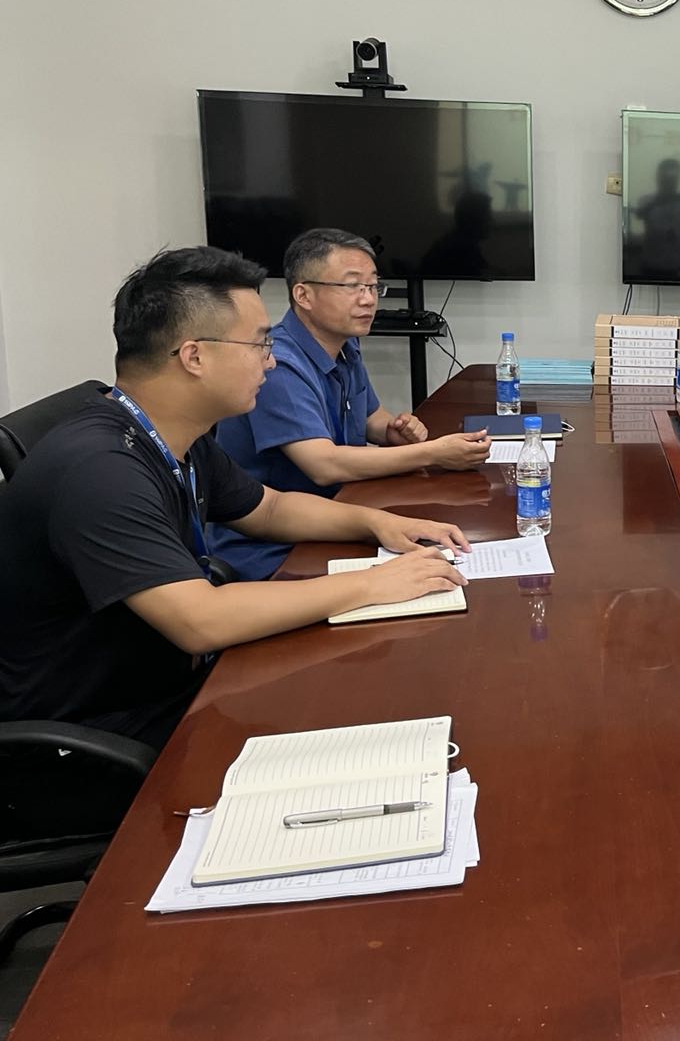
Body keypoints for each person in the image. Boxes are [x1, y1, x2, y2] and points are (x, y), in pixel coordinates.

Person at [0, 247, 472, 748]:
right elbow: (200, 620)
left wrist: (376, 523)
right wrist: (373, 584)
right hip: (99, 728)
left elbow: (269, 508)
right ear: (194, 356)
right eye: (259, 344)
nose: (271, 360)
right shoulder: (100, 470)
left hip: (168, 678)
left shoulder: (177, 434)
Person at [212, 228, 491, 580]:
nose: (369, 299)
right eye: (352, 286)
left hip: (340, 512)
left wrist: (394, 431)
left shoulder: (345, 345)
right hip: (274, 549)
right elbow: (324, 465)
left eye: (373, 286)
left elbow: (372, 417)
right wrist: (432, 453)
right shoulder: (278, 364)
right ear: (303, 295)